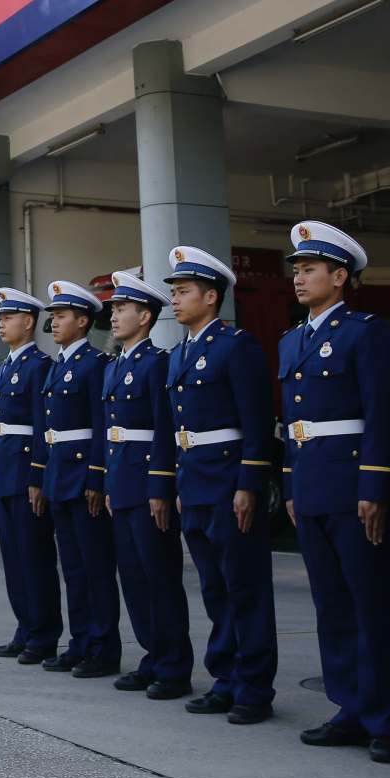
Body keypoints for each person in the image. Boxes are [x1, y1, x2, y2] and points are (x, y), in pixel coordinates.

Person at [280, 222, 390, 763]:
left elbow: (382, 413)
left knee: (371, 603)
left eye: (310, 269)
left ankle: (387, 719)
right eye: (297, 270)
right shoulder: (293, 340)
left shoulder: (366, 332)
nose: (299, 278)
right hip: (311, 487)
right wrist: (289, 483)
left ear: (340, 277)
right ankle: (349, 708)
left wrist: (377, 485)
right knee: (332, 605)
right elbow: (291, 423)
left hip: (355, 486)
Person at [163, 245, 278, 724]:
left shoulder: (236, 346)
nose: (175, 299)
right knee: (214, 588)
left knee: (245, 587)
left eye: (183, 291)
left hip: (230, 481)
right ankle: (225, 678)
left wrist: (251, 484)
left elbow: (258, 423)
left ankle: (253, 687)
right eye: (173, 291)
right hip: (194, 481)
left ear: (211, 297)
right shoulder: (179, 355)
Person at [99, 269, 194, 700]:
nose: (114, 316)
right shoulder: (116, 365)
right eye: (114, 309)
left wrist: (161, 486)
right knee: (134, 578)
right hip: (121, 482)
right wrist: (106, 483)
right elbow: (110, 431)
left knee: (160, 577)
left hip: (147, 481)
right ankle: (152, 656)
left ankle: (173, 665)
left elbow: (164, 428)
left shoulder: (158, 363)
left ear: (146, 316)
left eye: (122, 309)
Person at [29, 280, 122, 679]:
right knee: (73, 566)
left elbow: (102, 427)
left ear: (83, 322)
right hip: (60, 475)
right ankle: (80, 642)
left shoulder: (95, 365)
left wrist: (97, 478)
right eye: (52, 317)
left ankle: (104, 648)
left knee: (96, 565)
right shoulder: (59, 365)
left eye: (61, 316)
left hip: (84, 476)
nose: (53, 323)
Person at [0, 287, 61, 664]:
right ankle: (25, 628)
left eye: (8, 318)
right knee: (14, 559)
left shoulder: (39, 366)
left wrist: (38, 474)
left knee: (34, 557)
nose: (1, 324)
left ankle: (44, 633)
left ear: (28, 322)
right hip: (5, 469)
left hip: (26, 471)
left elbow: (41, 426)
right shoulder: (6, 366)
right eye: (0, 319)